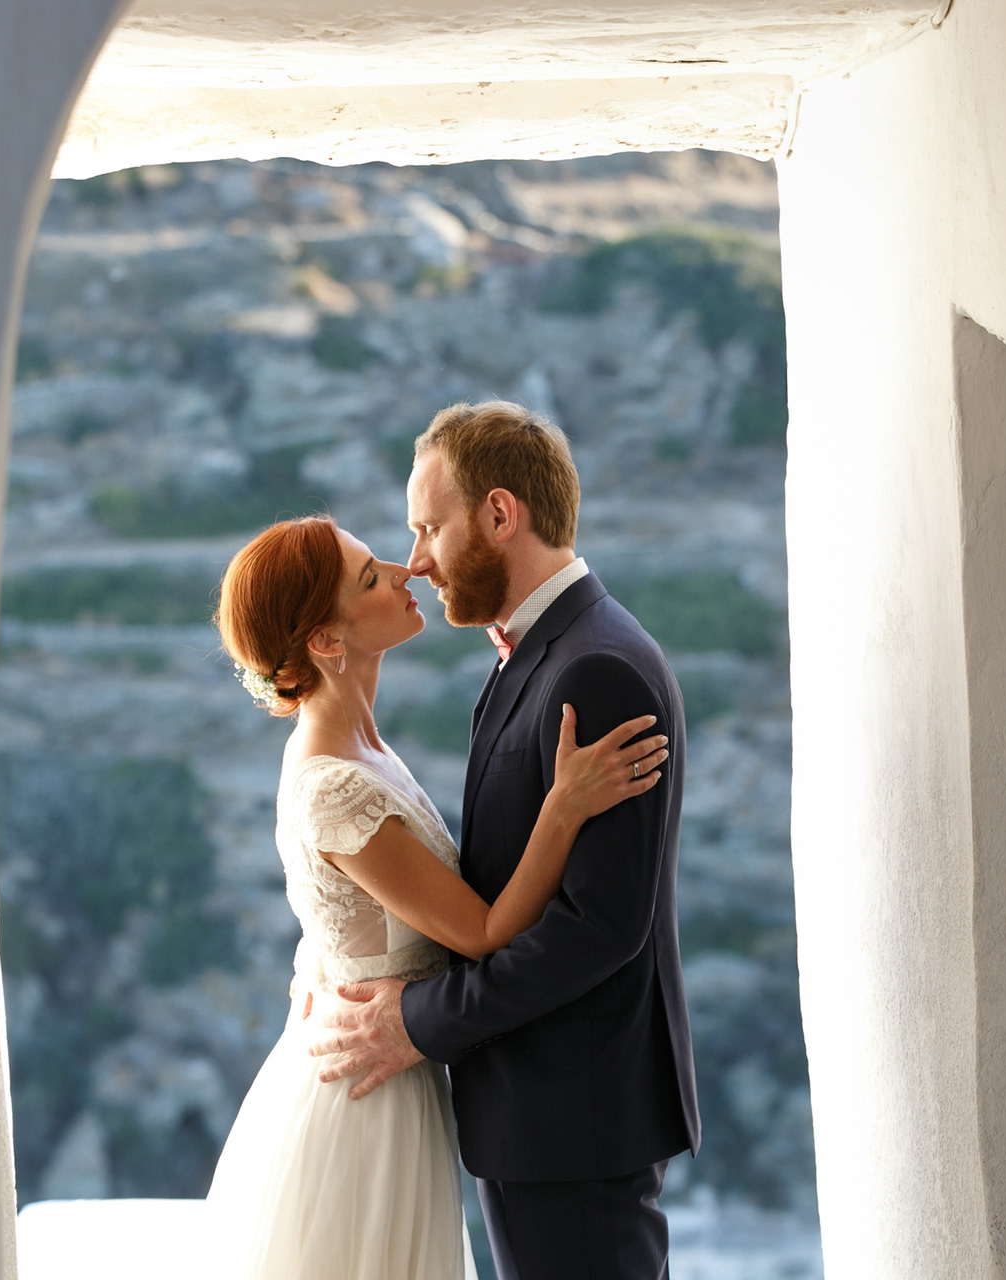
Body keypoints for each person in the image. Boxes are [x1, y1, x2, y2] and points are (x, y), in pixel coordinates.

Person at [205, 511, 670, 1280]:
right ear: (327, 640)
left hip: (400, 1073)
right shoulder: (335, 784)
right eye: (371, 577)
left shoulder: (363, 746)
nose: (406, 570)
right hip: (365, 1103)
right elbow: (482, 932)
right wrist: (565, 806)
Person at [311, 401, 700, 1280]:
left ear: (498, 514)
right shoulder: (540, 652)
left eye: (428, 528)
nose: (416, 560)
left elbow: (599, 927)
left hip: (575, 1113)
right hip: (543, 1111)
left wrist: (418, 1023)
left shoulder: (594, 669)